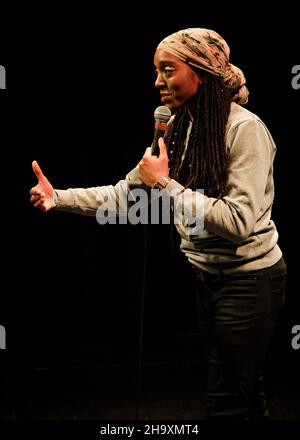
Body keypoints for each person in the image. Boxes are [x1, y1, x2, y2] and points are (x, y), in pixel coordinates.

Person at [29, 27, 286, 420]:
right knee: (244, 393)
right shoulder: (178, 127)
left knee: (229, 401)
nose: (157, 82)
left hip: (249, 282)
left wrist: (165, 184)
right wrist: (58, 197)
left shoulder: (244, 130)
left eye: (168, 70)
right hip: (207, 280)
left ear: (200, 72)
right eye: (156, 71)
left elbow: (237, 222)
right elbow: (125, 194)